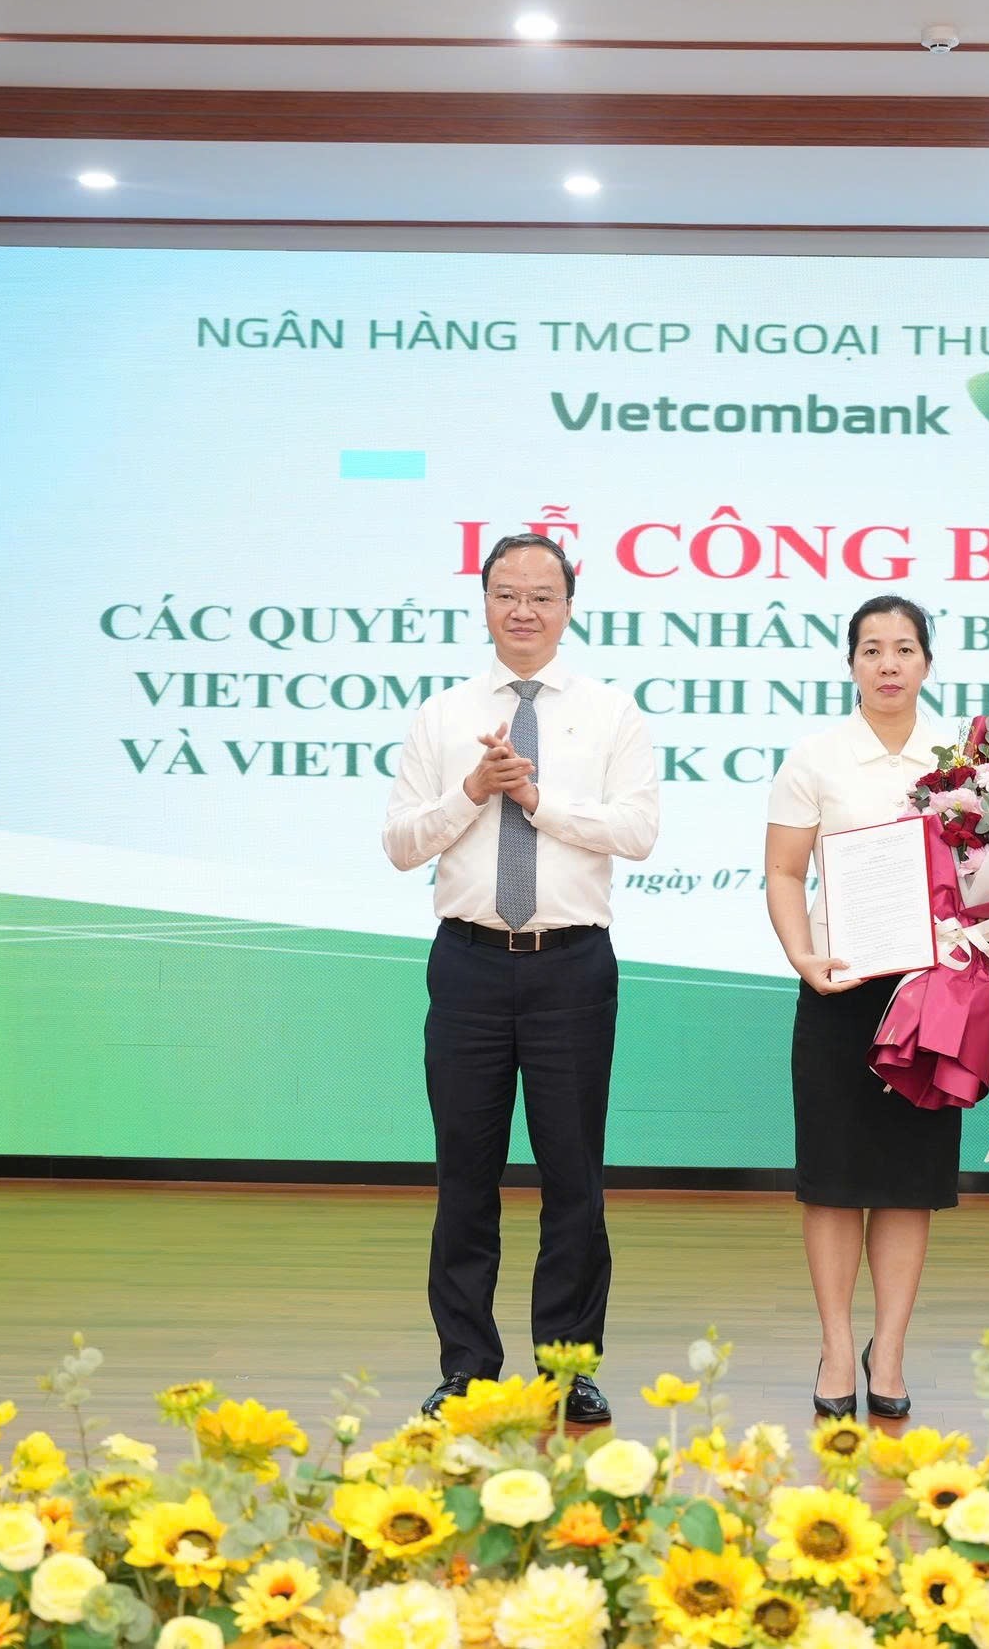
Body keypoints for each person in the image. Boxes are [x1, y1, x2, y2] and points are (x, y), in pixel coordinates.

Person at [382, 533, 661, 1422]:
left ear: (569, 606)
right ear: (485, 603)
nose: (524, 610)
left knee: (573, 1176)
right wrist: (473, 789)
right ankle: (467, 1367)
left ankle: (566, 1367)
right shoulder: (441, 716)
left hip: (569, 966)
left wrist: (538, 800)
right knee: (464, 1176)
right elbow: (400, 844)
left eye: (542, 595)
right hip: (467, 963)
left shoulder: (612, 714)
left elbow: (638, 831)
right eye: (507, 593)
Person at [763, 596, 989, 1422]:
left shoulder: (969, 769)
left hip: (933, 996)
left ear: (926, 662)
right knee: (833, 1183)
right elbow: (784, 872)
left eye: (905, 648)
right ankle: (836, 1347)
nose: (888, 663)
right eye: (872, 648)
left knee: (907, 1185)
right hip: (841, 988)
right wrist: (802, 956)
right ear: (851, 663)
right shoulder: (816, 757)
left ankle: (890, 1349)